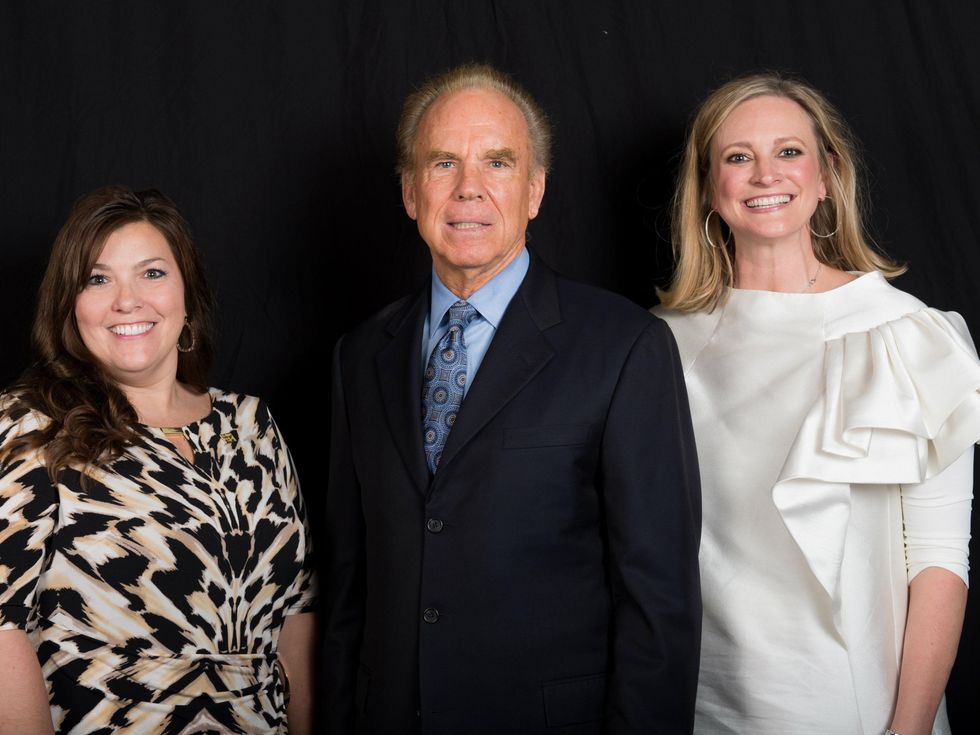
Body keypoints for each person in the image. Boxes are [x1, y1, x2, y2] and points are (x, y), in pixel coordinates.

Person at [323, 63, 701, 733]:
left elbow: (659, 601)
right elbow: (350, 584)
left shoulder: (624, 347)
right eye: (443, 163)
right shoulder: (360, 354)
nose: (468, 188)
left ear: (534, 189)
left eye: (498, 162)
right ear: (411, 192)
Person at [654, 72, 978, 735]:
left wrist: (908, 728)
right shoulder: (655, 346)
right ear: (710, 187)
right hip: (695, 704)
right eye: (738, 156)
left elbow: (941, 563)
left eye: (789, 151)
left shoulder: (905, 335)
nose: (764, 173)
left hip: (858, 710)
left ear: (827, 175)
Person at [0, 186, 318, 734]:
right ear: (69, 305)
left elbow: (296, 615)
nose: (128, 300)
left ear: (187, 295)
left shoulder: (252, 425)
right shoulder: (31, 426)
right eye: (97, 279)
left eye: (152, 273)